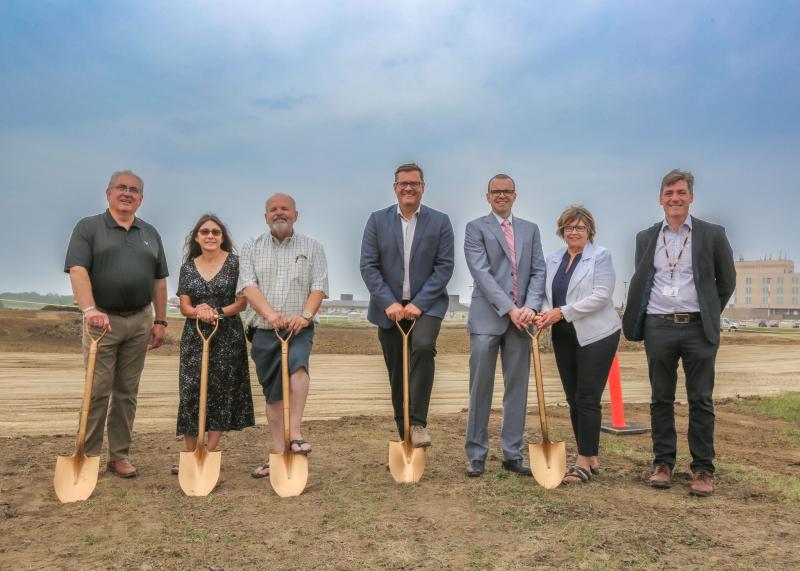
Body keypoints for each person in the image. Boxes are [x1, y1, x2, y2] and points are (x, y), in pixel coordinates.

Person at [622, 169, 735, 497]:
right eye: (669, 193)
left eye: (681, 193)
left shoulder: (712, 234)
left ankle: (702, 468)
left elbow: (726, 281)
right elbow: (643, 280)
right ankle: (663, 464)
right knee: (661, 398)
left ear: (691, 197)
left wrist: (710, 312)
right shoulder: (646, 238)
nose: (675, 199)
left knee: (701, 399)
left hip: (698, 328)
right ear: (660, 198)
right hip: (659, 326)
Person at [64, 170, 168, 478]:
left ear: (141, 198)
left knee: (127, 391)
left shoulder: (150, 232)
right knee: (97, 390)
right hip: (102, 321)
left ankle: (118, 455)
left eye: (133, 190)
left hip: (139, 320)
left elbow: (159, 281)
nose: (127, 193)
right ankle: (88, 453)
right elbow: (78, 270)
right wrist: (89, 309)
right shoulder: (89, 227)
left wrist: (160, 320)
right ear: (108, 193)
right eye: (121, 188)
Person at [360, 163, 455, 448]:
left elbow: (444, 266)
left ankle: (417, 423)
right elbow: (368, 265)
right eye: (403, 184)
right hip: (387, 309)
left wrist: (419, 303)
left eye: (414, 183)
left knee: (423, 348)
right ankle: (405, 436)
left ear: (423, 187)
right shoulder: (377, 220)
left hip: (427, 306)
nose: (409, 188)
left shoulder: (440, 221)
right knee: (396, 371)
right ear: (395, 188)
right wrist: (388, 301)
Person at [238, 193, 328, 478]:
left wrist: (304, 316)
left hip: (299, 328)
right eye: (273, 210)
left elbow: (318, 287)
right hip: (264, 330)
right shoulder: (251, 247)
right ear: (266, 216)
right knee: (274, 394)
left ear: (295, 215)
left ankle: (296, 432)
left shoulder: (312, 247)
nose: (279, 213)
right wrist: (271, 315)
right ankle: (278, 452)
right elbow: (248, 287)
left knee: (298, 369)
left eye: (285, 209)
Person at [463, 174, 545, 477]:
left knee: (517, 390)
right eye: (496, 192)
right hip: (488, 319)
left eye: (507, 191)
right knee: (480, 388)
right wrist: (510, 309)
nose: (501, 196)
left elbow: (538, 271)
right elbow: (482, 274)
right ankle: (476, 454)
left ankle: (513, 453)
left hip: (522, 323)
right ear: (488, 197)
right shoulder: (475, 229)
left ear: (515, 195)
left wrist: (531, 308)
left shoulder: (530, 230)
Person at [536, 206, 621, 484]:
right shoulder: (553, 259)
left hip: (597, 335)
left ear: (589, 231)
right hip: (563, 334)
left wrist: (561, 312)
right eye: (569, 227)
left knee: (587, 397)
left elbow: (601, 295)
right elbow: (547, 294)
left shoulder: (601, 257)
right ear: (562, 231)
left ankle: (583, 461)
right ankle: (590, 453)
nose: (574, 232)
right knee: (573, 398)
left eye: (580, 227)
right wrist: (547, 313)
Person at [172, 214, 255, 474]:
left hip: (227, 333)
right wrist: (199, 311)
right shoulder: (188, 267)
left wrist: (216, 311)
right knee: (191, 391)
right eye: (205, 232)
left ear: (222, 237)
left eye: (215, 232)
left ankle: (210, 451)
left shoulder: (235, 264)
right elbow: (185, 305)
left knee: (220, 390)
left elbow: (242, 302)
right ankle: (190, 452)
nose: (210, 236)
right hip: (195, 335)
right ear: (196, 237)